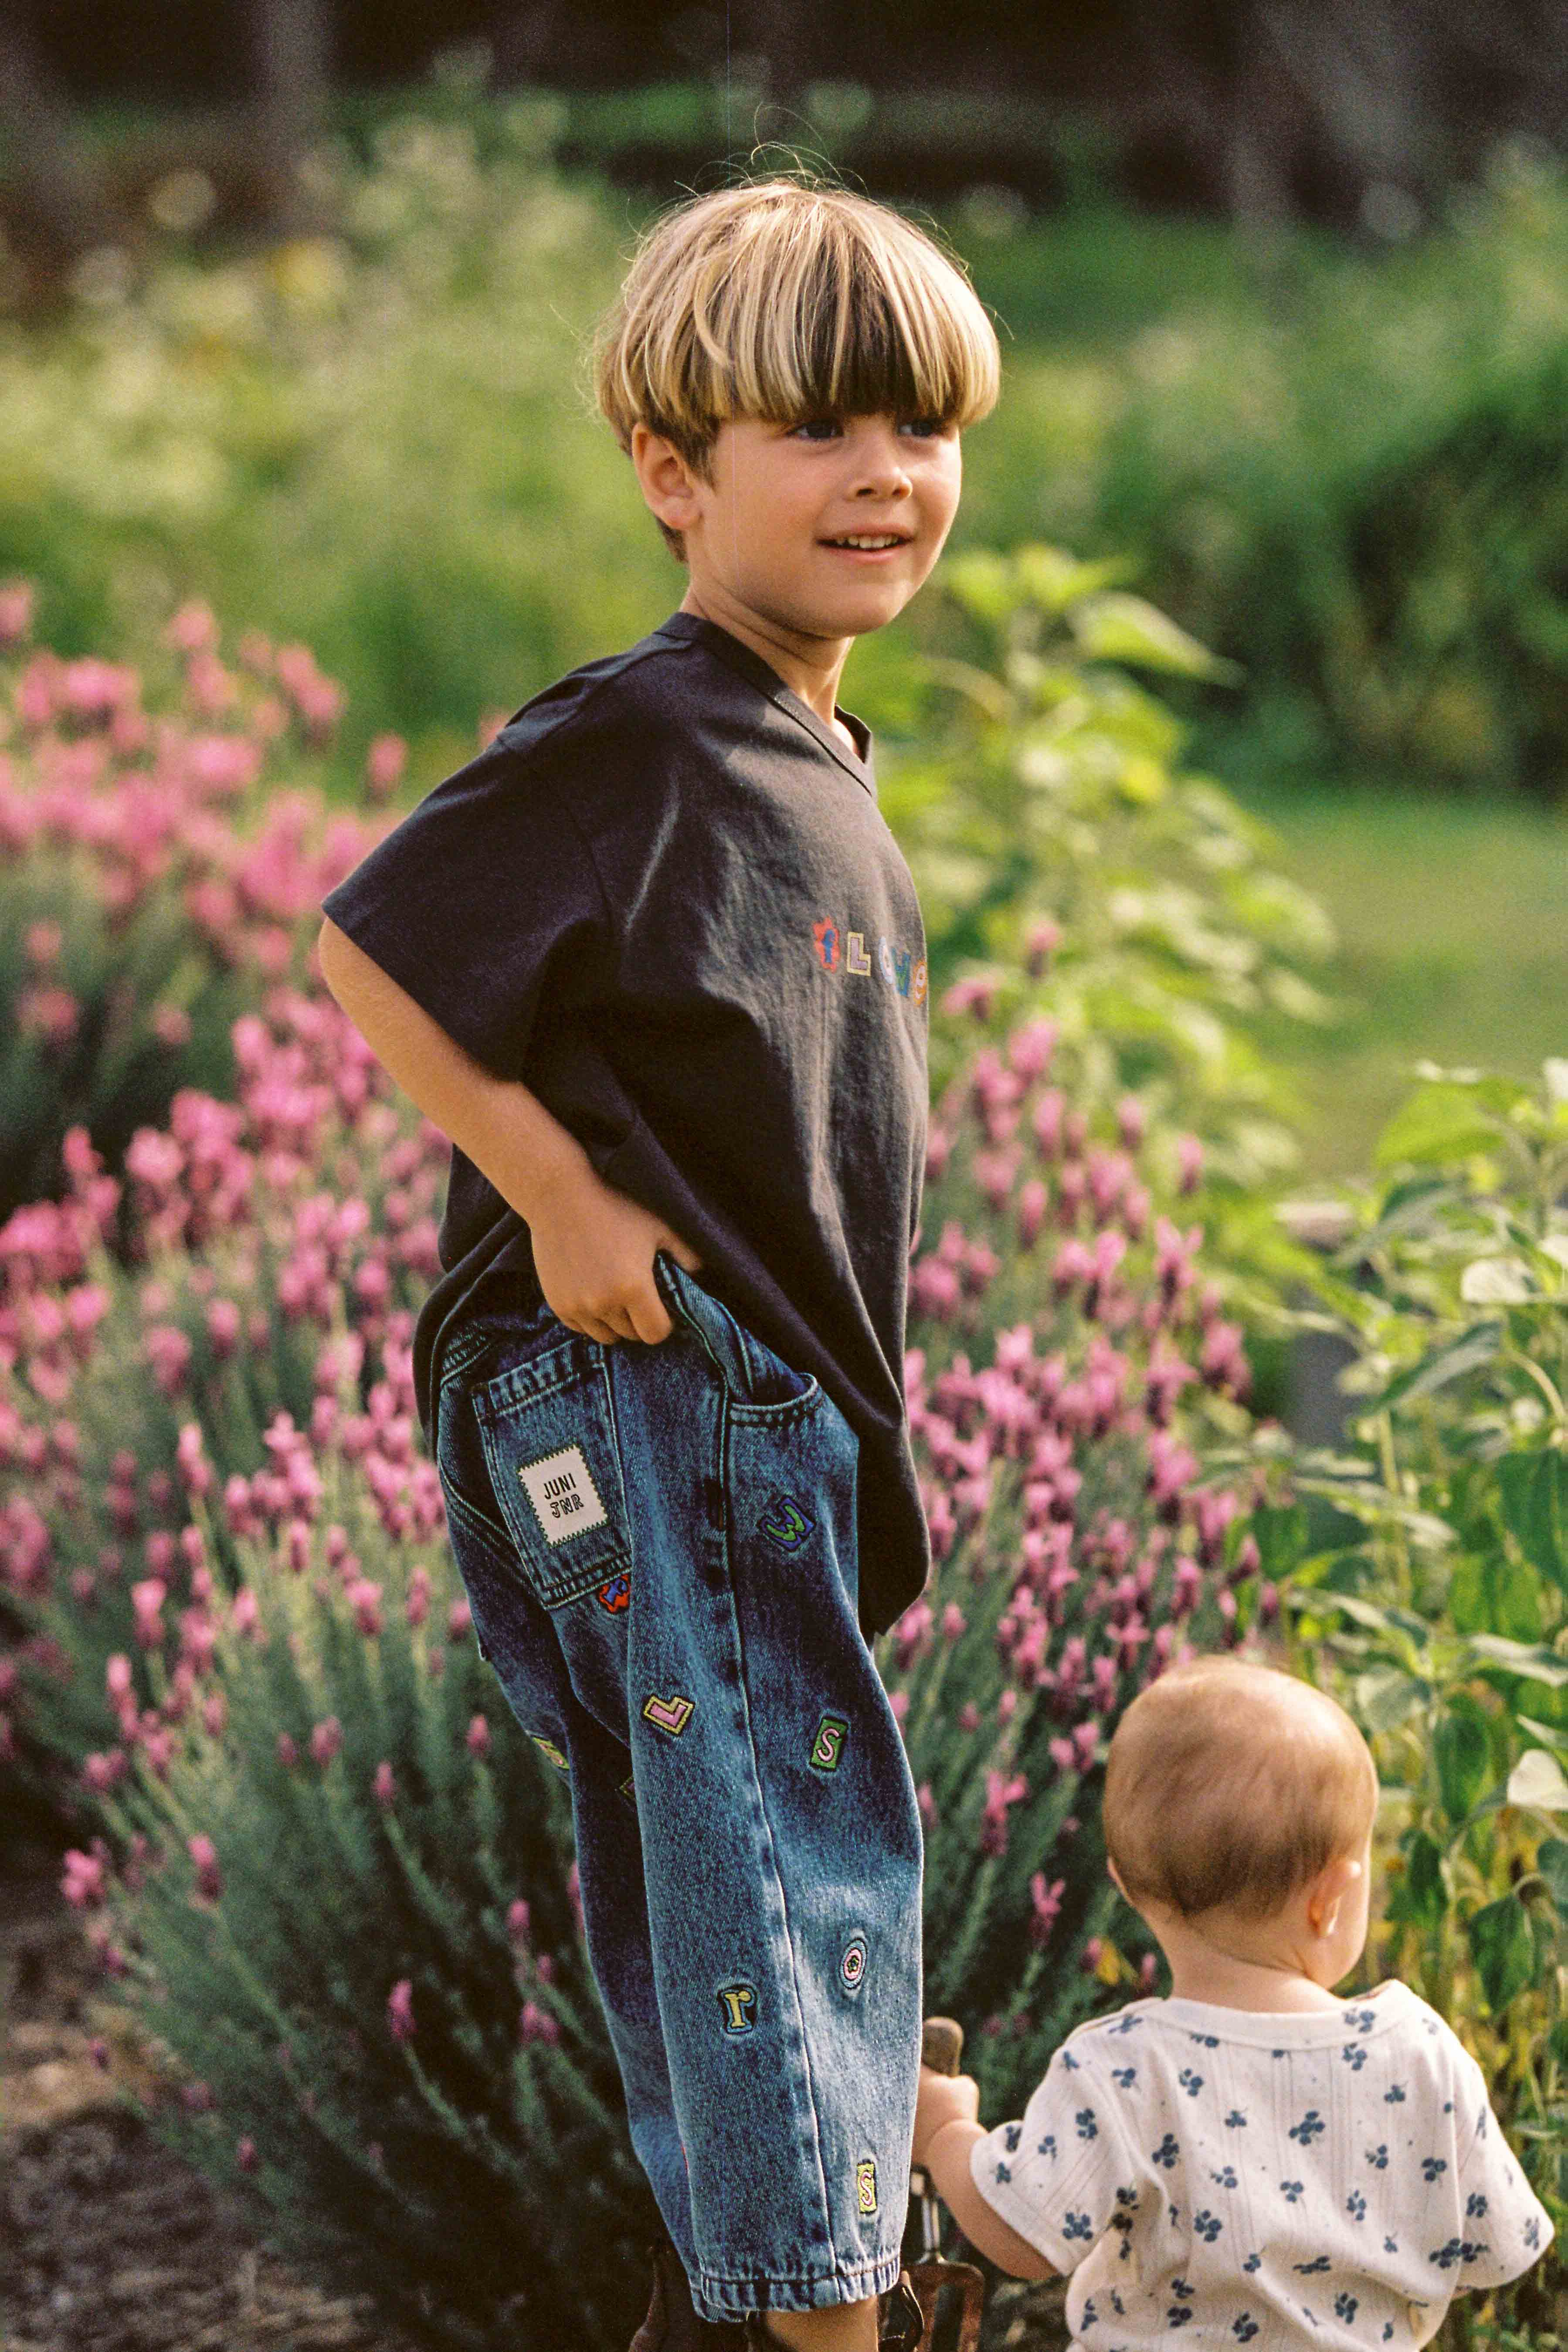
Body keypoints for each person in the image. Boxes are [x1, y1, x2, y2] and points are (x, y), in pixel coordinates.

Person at [316, 175, 1001, 2352]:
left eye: (923, 426)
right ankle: (823, 2318)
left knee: (766, 1859)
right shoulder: (643, 730)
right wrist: (552, 1185)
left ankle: (773, 2285)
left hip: (748, 1404)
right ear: (672, 474)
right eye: (823, 430)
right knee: (769, 1864)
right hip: (650, 1377)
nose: (886, 472)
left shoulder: (813, 747)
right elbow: (370, 943)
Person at [913, 1656, 1554, 2348]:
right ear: (1329, 1898)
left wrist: (946, 2136)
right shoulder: (1422, 2051)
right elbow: (1496, 2250)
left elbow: (1025, 2236)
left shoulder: (1122, 2066)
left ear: (1123, 1884)